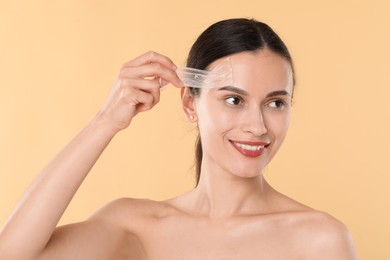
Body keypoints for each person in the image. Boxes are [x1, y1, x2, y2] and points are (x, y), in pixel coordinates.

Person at [0, 18, 357, 259]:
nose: (258, 126)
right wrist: (106, 120)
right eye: (234, 100)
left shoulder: (319, 240)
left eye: (275, 103)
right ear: (190, 103)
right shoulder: (136, 228)